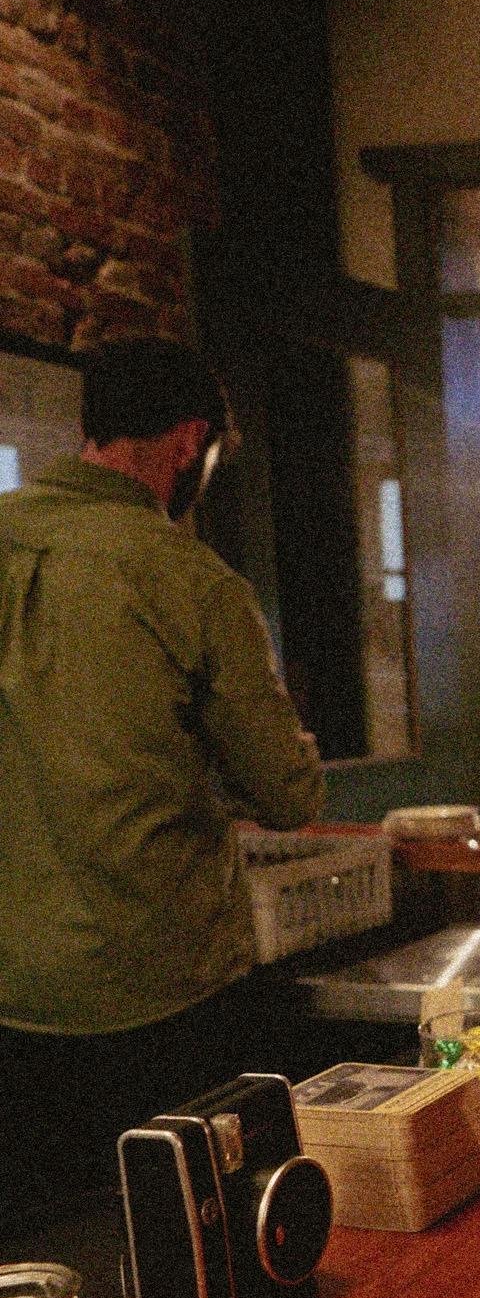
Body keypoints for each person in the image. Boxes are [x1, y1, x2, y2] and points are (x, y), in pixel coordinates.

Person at [0, 337, 324, 1225]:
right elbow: (290, 797)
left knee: (36, 1261)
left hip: (12, 998)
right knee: (186, 1247)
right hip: (157, 987)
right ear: (190, 443)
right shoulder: (188, 579)